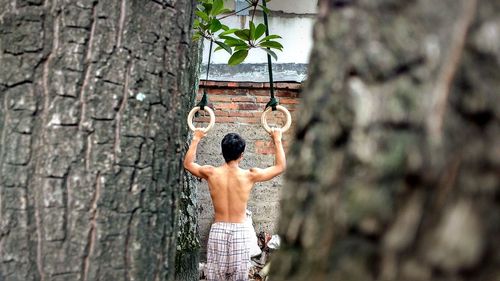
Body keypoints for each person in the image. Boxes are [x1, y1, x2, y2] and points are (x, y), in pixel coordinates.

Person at [183, 129, 286, 281]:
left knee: (215, 278)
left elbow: (188, 164)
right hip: (240, 231)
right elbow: (280, 167)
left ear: (222, 152)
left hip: (218, 231)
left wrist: (197, 137)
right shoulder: (250, 175)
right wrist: (277, 138)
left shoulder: (211, 173)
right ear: (242, 154)